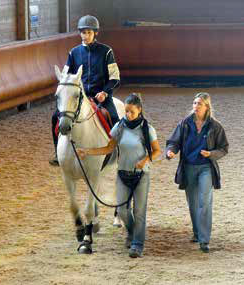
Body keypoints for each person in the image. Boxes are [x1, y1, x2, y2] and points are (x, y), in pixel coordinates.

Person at [76, 93, 161, 258]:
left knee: (139, 212)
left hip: (141, 176)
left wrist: (144, 161)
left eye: (132, 112)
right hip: (122, 174)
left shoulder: (147, 128)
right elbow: (108, 148)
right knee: (122, 211)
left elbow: (157, 151)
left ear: (140, 110)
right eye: (127, 111)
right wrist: (87, 152)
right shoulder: (119, 127)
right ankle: (132, 231)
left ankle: (137, 244)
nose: (128, 115)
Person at [50, 15, 121, 166]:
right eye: (83, 32)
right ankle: (57, 152)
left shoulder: (106, 52)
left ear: (95, 33)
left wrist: (105, 92)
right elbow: (65, 75)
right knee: (55, 117)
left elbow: (115, 78)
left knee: (115, 117)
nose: (85, 36)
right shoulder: (73, 53)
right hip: (80, 97)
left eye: (89, 32)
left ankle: (118, 149)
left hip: (101, 96)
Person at [166, 92, 228, 253]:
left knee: (205, 202)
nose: (196, 106)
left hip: (206, 168)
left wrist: (211, 154)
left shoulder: (215, 126)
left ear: (207, 107)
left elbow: (224, 148)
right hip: (188, 167)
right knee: (193, 203)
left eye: (199, 104)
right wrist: (171, 151)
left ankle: (204, 240)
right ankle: (196, 232)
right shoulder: (184, 124)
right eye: (194, 103)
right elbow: (173, 142)